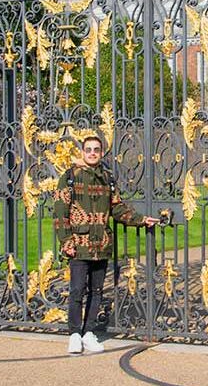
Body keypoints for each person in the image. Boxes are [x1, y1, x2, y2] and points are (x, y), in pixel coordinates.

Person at [53, 135, 159, 354]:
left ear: (101, 153)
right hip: (79, 243)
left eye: (96, 150)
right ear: (82, 152)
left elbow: (117, 208)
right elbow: (60, 212)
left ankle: (88, 332)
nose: (92, 153)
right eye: (89, 149)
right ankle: (74, 333)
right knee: (76, 290)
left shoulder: (107, 178)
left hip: (101, 244)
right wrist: (66, 241)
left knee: (97, 290)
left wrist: (141, 219)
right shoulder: (70, 177)